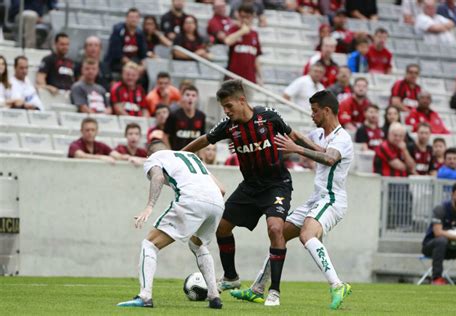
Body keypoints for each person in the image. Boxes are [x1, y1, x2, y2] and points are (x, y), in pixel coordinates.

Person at [181, 79, 317, 306]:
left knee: (275, 229)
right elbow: (204, 140)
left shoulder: (268, 117)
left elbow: (296, 136)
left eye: (229, 106)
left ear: (242, 100)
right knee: (222, 227)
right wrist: (176, 155)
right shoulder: (229, 126)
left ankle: (274, 291)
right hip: (250, 187)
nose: (226, 111)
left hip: (277, 184)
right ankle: (231, 277)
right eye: (224, 107)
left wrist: (320, 153)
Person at [229, 90, 354, 310]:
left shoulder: (342, 138)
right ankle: (258, 289)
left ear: (327, 111)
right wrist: (246, 147)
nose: (311, 115)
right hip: (316, 198)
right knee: (280, 235)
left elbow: (330, 158)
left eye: (315, 111)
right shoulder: (318, 135)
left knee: (307, 235)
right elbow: (283, 147)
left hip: (332, 199)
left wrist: (298, 149)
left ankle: (337, 285)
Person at [116, 141, 225, 309]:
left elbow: (158, 177)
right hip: (217, 203)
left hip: (192, 199)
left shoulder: (154, 158)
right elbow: (222, 189)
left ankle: (145, 296)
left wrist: (149, 206)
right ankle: (214, 296)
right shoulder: (191, 156)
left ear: (148, 155)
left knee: (150, 244)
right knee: (198, 245)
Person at [422, 182, 456, 285]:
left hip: (454, 248)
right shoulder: (441, 209)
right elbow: (437, 232)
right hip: (432, 247)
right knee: (441, 240)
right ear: (452, 195)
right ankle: (437, 279)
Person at [225, 4, 262, 84]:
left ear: (252, 17)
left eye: (248, 17)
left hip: (250, 78)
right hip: (233, 76)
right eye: (242, 16)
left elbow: (256, 57)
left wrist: (259, 76)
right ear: (238, 15)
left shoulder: (254, 34)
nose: (245, 20)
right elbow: (227, 41)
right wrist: (242, 31)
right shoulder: (233, 29)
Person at [105, 8, 147, 77]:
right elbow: (118, 55)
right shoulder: (118, 31)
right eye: (131, 17)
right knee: (130, 71)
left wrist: (143, 67)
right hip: (118, 63)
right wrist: (134, 67)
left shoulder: (140, 34)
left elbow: (143, 55)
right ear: (126, 18)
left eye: (136, 17)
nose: (134, 19)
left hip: (134, 61)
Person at [163, 85, 205, 150]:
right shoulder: (173, 115)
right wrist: (170, 152)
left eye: (193, 95)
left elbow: (202, 138)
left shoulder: (201, 116)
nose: (190, 98)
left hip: (193, 154)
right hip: (177, 153)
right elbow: (165, 136)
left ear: (197, 98)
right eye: (187, 95)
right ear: (182, 97)